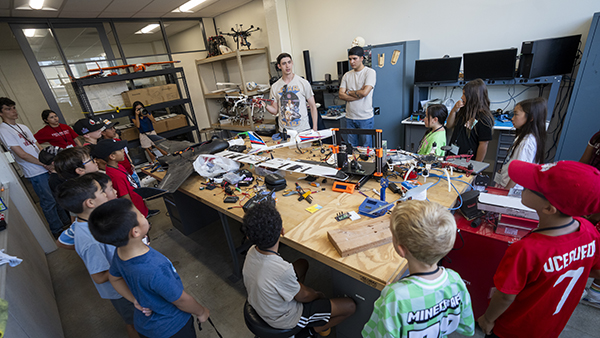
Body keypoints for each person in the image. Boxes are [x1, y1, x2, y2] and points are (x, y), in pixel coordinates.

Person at [477, 160, 600, 338]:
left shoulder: (526, 250)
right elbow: (595, 270)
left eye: (530, 186)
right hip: (551, 326)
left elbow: (504, 297)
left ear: (549, 208)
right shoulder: (589, 230)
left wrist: (488, 319)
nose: (523, 186)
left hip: (513, 330)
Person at [88, 198, 210, 338]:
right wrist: (201, 312)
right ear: (135, 232)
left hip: (145, 327)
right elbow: (181, 300)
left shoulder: (120, 252)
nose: (143, 215)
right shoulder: (155, 268)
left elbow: (114, 279)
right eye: (140, 214)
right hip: (173, 328)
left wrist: (135, 300)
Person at [362, 200, 475, 338]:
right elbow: (467, 327)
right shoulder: (455, 279)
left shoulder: (395, 297)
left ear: (401, 250)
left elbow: (374, 335)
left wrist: (392, 292)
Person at [55, 174, 149, 338]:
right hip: (120, 291)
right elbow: (98, 276)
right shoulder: (91, 240)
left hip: (127, 282)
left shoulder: (91, 222)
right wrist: (125, 260)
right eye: (101, 191)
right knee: (134, 322)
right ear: (90, 203)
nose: (107, 193)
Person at [242, 203, 356, 337]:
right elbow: (306, 296)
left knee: (302, 264)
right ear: (282, 231)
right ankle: (310, 330)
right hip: (285, 319)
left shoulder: (251, 252)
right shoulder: (281, 270)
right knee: (350, 306)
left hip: (261, 304)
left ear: (249, 236)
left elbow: (281, 277)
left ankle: (302, 305)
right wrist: (319, 295)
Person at [0, 97, 64, 237]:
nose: (13, 111)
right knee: (48, 201)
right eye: (8, 109)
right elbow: (21, 154)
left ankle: (65, 223)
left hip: (45, 167)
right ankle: (57, 230)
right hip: (35, 171)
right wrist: (44, 165)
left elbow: (38, 146)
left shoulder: (23, 127)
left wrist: (49, 162)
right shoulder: (4, 130)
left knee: (57, 196)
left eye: (14, 107)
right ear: (1, 113)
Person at [93, 138, 158, 218]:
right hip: (135, 212)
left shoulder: (118, 166)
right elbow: (126, 199)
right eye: (120, 150)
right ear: (112, 156)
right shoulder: (115, 176)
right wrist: (136, 215)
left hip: (138, 203)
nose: (123, 151)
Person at [493, 97, 547, 190]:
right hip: (505, 182)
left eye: (516, 115)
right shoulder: (523, 135)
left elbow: (519, 173)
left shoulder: (527, 142)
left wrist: (505, 193)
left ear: (531, 117)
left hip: (511, 189)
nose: (512, 118)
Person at [57, 172, 117, 250]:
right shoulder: (92, 242)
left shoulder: (96, 218)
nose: (105, 195)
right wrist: (82, 246)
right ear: (90, 202)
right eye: (102, 192)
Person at [266, 53, 319, 132]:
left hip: (303, 130)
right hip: (285, 131)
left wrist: (315, 127)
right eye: (284, 63)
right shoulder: (275, 87)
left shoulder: (303, 83)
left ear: (292, 63)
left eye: (289, 62)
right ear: (279, 66)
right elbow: (275, 111)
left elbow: (313, 107)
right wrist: (264, 105)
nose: (287, 66)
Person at [446, 79, 494, 161]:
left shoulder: (484, 118)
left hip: (467, 160)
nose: (461, 97)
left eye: (464, 94)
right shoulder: (464, 110)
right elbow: (449, 125)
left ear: (473, 96)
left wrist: (477, 165)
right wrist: (454, 110)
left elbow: (483, 144)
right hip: (453, 155)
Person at [339, 46, 377, 147]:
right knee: (351, 148)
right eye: (350, 59)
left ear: (362, 58)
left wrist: (349, 91)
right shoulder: (347, 75)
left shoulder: (370, 73)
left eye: (354, 58)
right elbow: (340, 95)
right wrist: (358, 94)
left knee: (366, 148)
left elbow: (364, 93)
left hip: (365, 118)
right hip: (350, 117)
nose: (352, 62)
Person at [579, 128, 600, 308]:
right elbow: (584, 164)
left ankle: (595, 292)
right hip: (591, 192)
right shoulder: (597, 136)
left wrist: (594, 216)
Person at [102, 119, 141, 187]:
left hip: (130, 171)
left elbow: (126, 154)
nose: (114, 130)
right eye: (110, 128)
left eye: (114, 128)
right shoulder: (104, 148)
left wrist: (130, 163)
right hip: (122, 175)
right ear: (103, 132)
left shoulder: (118, 141)